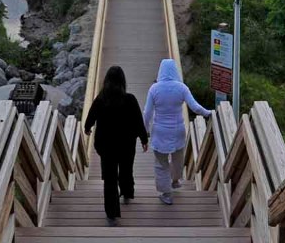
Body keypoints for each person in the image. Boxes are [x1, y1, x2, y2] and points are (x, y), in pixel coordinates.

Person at [84, 66, 149, 226]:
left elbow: (90, 118)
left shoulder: (100, 100)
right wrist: (143, 139)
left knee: (110, 178)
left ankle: (111, 213)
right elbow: (138, 121)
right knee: (126, 169)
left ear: (106, 81)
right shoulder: (130, 99)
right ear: (123, 82)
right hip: (126, 144)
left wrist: (87, 128)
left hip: (106, 146)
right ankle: (127, 192)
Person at [142, 58, 212, 205]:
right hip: (178, 130)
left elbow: (147, 113)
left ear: (161, 71)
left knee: (161, 164)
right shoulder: (182, 88)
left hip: (160, 131)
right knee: (177, 159)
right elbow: (195, 107)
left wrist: (145, 131)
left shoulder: (154, 89)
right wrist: (208, 113)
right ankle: (175, 181)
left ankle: (166, 193)